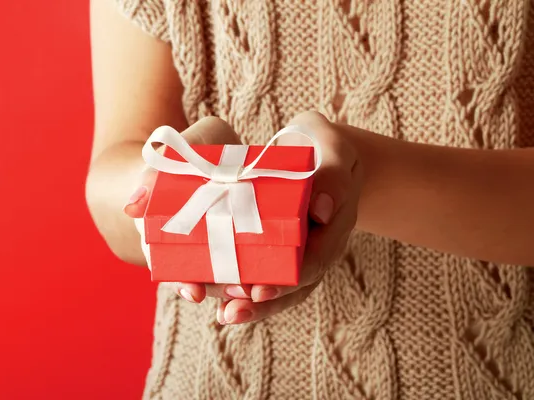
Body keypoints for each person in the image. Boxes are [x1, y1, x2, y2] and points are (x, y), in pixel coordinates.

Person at [86, 0, 534, 398]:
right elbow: (112, 175)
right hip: (215, 380)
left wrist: (363, 175)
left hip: (489, 375)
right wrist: (178, 186)